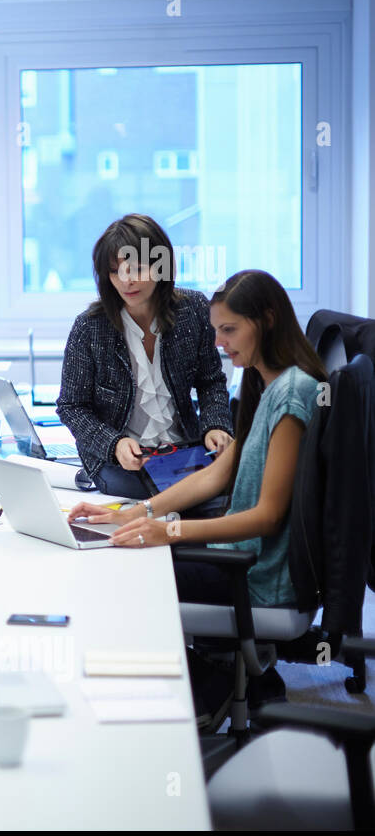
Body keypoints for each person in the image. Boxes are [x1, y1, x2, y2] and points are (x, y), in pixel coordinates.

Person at [67, 270, 329, 729]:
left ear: (266, 321)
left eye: (229, 330)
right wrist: (135, 513)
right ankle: (217, 680)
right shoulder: (264, 382)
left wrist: (167, 531)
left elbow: (267, 517)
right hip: (241, 559)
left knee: (125, 577)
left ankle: (208, 684)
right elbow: (215, 477)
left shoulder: (292, 395)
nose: (219, 343)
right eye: (216, 331)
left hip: (258, 576)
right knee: (122, 554)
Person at [58, 214, 234, 498]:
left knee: (222, 485)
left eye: (137, 269)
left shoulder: (193, 310)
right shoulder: (90, 327)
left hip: (185, 450)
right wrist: (113, 444)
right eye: (115, 272)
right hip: (119, 463)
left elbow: (210, 381)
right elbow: (71, 406)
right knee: (152, 498)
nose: (126, 281)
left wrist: (215, 426)